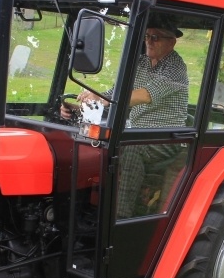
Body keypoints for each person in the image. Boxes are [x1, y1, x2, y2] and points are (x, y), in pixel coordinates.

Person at [62, 14, 189, 219]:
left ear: (172, 41)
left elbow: (144, 96)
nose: (149, 41)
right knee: (90, 141)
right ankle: (85, 207)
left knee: (130, 147)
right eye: (147, 36)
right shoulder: (141, 63)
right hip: (137, 128)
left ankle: (120, 218)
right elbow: (115, 93)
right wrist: (79, 108)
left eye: (155, 37)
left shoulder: (176, 68)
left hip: (165, 136)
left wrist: (101, 98)